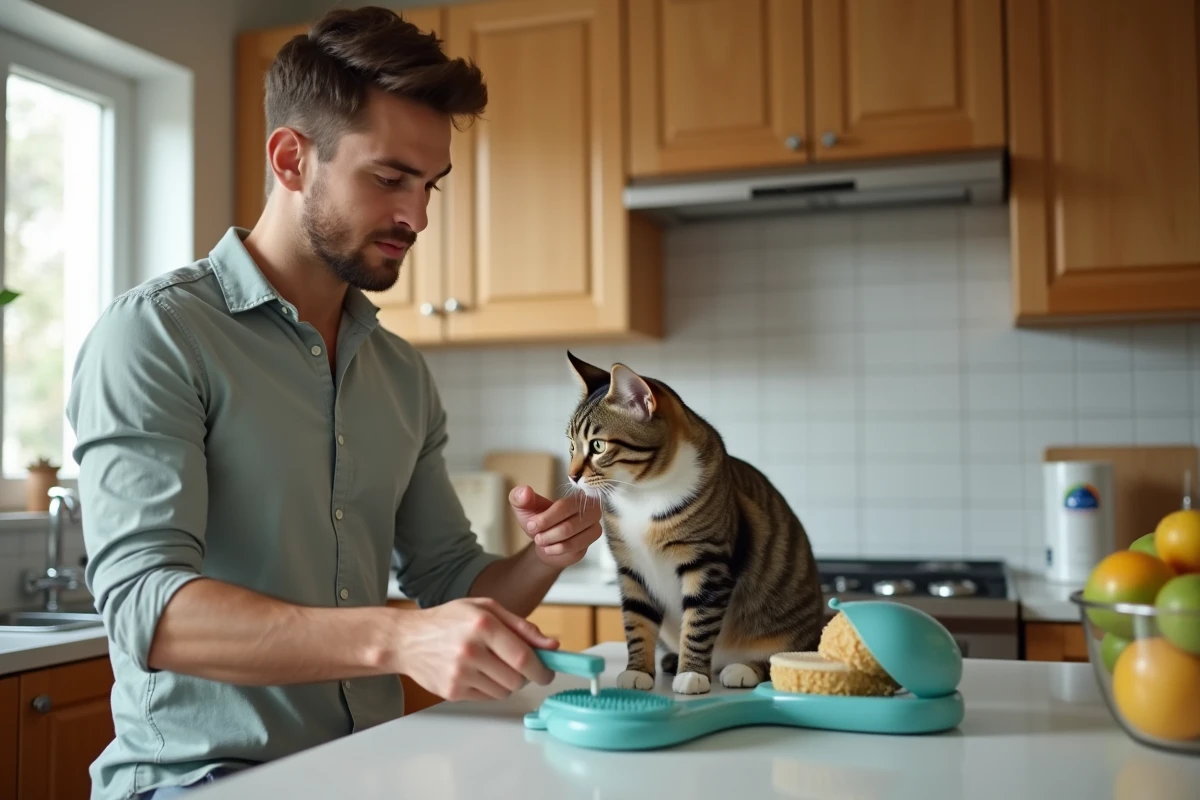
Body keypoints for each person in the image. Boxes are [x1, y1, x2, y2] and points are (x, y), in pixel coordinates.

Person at [64, 7, 603, 799]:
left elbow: (452, 587)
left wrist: (544, 557)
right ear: (291, 159)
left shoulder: (399, 372)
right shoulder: (157, 335)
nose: (416, 217)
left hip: (366, 771)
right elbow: (151, 611)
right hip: (199, 779)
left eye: (429, 186)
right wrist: (394, 638)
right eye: (389, 178)